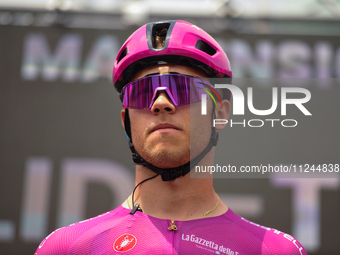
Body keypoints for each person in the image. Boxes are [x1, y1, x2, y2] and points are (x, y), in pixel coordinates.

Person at [35, 20, 307, 255]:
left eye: (184, 89)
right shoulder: (67, 248)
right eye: (143, 92)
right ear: (126, 121)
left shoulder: (274, 250)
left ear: (220, 113)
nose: (161, 103)